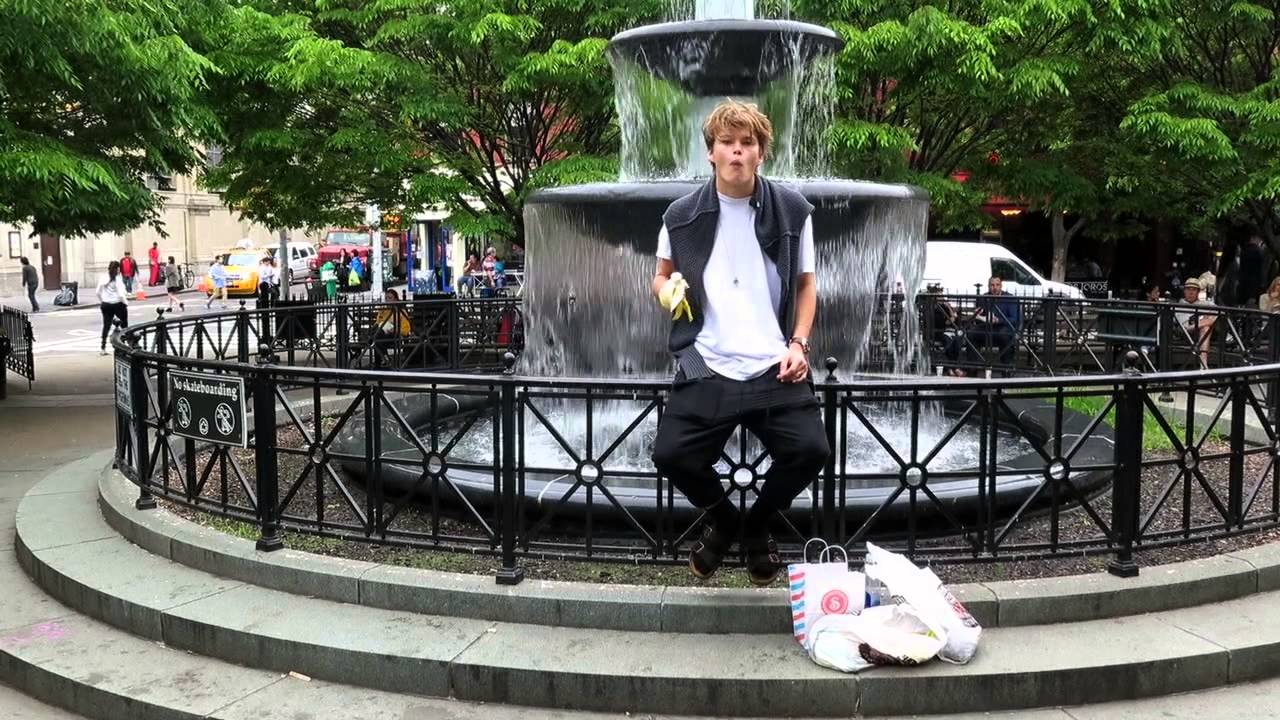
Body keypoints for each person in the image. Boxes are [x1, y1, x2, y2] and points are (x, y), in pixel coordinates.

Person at [649, 100, 829, 586]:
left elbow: (806, 285)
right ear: (711, 152)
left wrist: (799, 344)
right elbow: (660, 276)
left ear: (760, 153)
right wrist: (667, 292)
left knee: (812, 450)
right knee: (671, 454)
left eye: (747, 143)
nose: (736, 152)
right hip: (706, 362)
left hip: (774, 364)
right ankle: (731, 523)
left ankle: (754, 525)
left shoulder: (792, 210)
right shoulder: (681, 215)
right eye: (726, 143)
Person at [967, 276, 1022, 366]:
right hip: (988, 328)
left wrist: (999, 320)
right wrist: (979, 314)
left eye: (997, 285)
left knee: (1004, 335)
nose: (995, 287)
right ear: (989, 286)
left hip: (1003, 327)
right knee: (971, 333)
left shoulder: (1010, 298)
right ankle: (972, 367)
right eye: (992, 285)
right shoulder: (984, 297)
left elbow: (1014, 319)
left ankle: (1006, 368)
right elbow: (980, 315)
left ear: (1001, 286)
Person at [1174, 277, 1216, 367]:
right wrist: (1207, 320)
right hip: (1185, 333)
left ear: (1198, 292)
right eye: (1188, 289)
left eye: (1194, 289)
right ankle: (1203, 364)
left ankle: (1203, 364)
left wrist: (1204, 321)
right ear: (1184, 291)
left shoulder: (1206, 304)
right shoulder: (1178, 305)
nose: (1191, 292)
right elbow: (1183, 326)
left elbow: (1220, 314)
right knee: (1207, 325)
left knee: (1206, 327)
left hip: (1202, 332)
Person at [96, 260, 129, 355]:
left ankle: (103, 347)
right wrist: (125, 303)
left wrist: (102, 300)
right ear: (117, 269)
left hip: (106, 304)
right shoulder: (117, 279)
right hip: (117, 303)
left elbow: (97, 292)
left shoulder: (103, 277)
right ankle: (126, 345)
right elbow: (121, 294)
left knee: (106, 326)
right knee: (124, 325)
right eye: (119, 269)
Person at [372, 288, 411, 366]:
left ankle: (380, 361)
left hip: (394, 335)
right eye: (386, 298)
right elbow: (377, 323)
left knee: (376, 337)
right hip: (381, 334)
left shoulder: (401, 311)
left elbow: (406, 330)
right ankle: (384, 359)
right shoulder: (383, 310)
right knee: (377, 336)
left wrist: (395, 330)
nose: (387, 300)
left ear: (395, 299)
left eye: (390, 298)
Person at [1240, 235, 1268, 308]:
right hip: (1255, 281)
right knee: (1251, 301)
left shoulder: (1244, 250)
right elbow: (1262, 268)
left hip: (1243, 280)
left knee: (1244, 301)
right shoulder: (1259, 251)